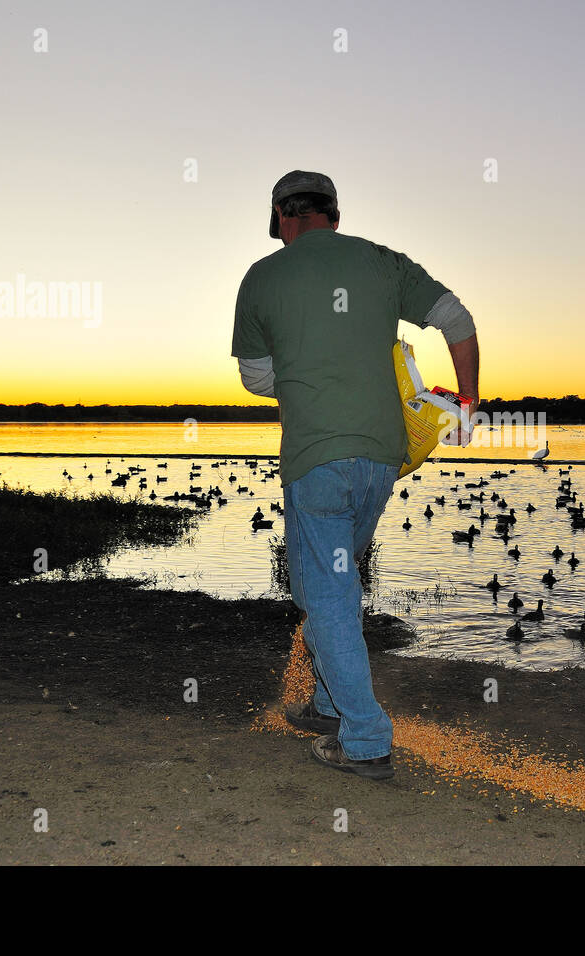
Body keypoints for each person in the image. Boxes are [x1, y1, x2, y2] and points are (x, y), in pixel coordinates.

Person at [232, 170, 479, 779]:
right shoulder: (383, 263)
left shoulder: (263, 277)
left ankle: (366, 740)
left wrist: (302, 372)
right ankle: (326, 704)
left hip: (316, 456)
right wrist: (468, 400)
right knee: (335, 585)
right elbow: (458, 318)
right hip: (381, 456)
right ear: (334, 216)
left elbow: (258, 379)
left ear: (283, 220)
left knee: (327, 595)